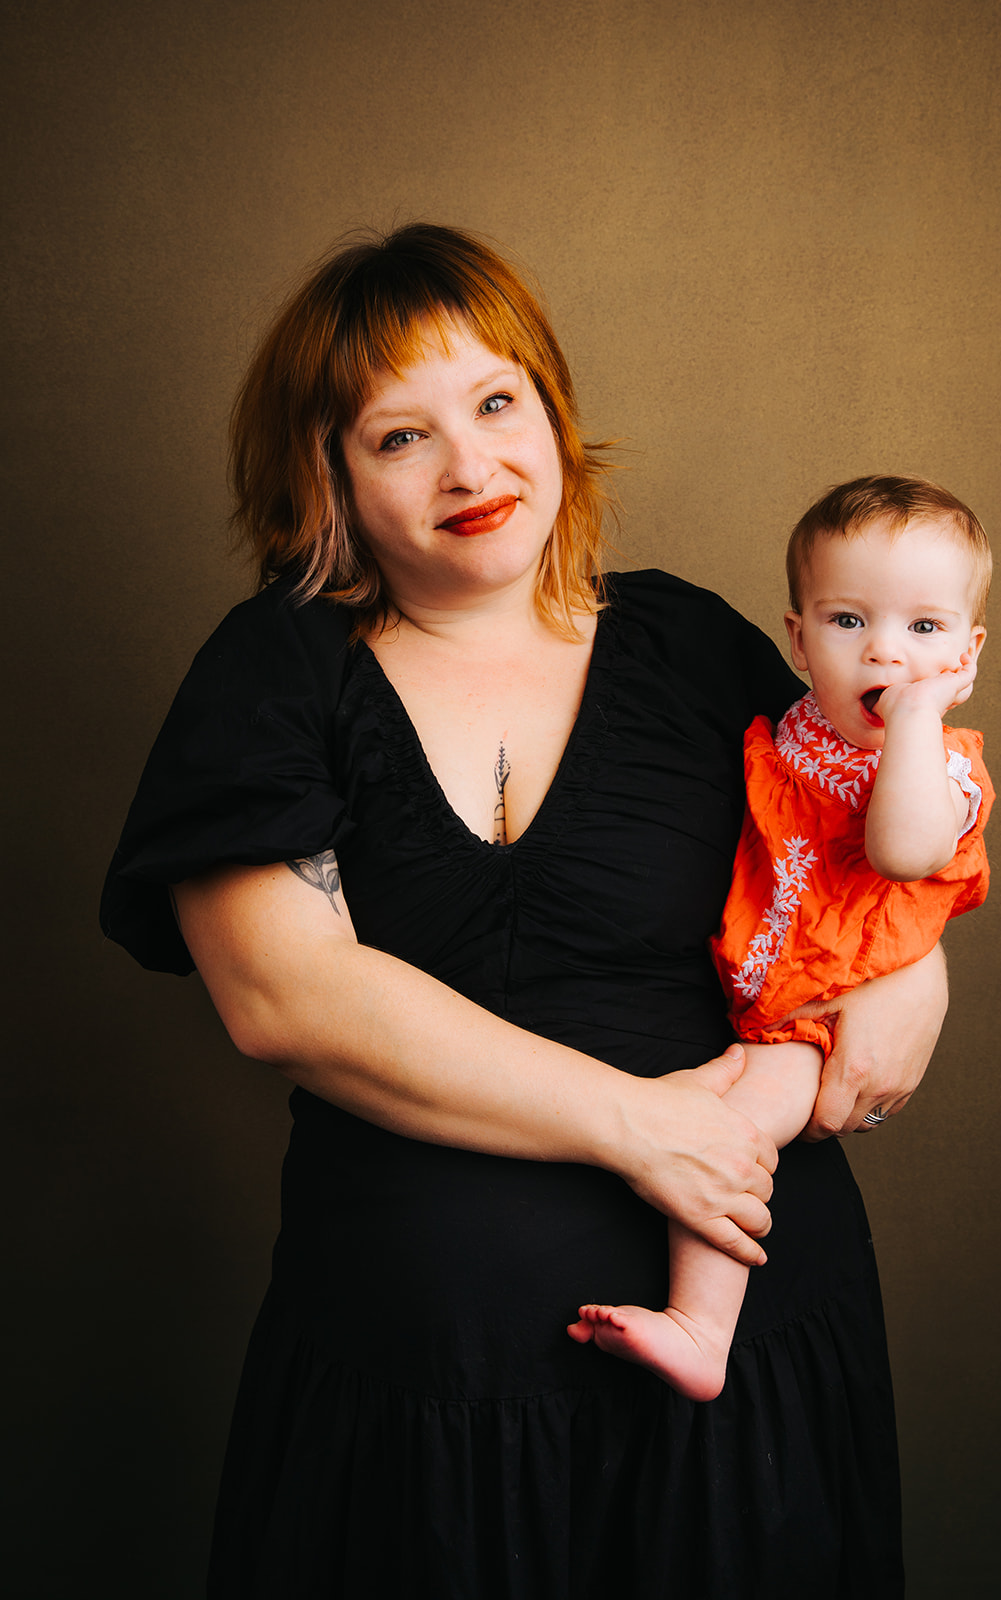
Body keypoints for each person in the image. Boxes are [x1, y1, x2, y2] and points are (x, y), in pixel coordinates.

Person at [100, 226, 948, 1599]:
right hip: (412, 1402)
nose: (470, 467)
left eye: (496, 402)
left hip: (741, 1387)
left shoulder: (688, 643)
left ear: (550, 410)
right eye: (397, 436)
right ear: (324, 474)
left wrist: (918, 978)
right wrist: (648, 1129)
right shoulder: (275, 671)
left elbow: (860, 860)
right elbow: (281, 998)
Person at [568, 477, 993, 1402]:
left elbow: (902, 847)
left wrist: (918, 719)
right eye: (848, 621)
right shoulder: (795, 730)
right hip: (766, 994)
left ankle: (701, 1329)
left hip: (825, 1010)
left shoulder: (940, 766)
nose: (884, 650)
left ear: (967, 652)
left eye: (925, 630)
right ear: (797, 639)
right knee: (690, 1105)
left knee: (722, 1136)